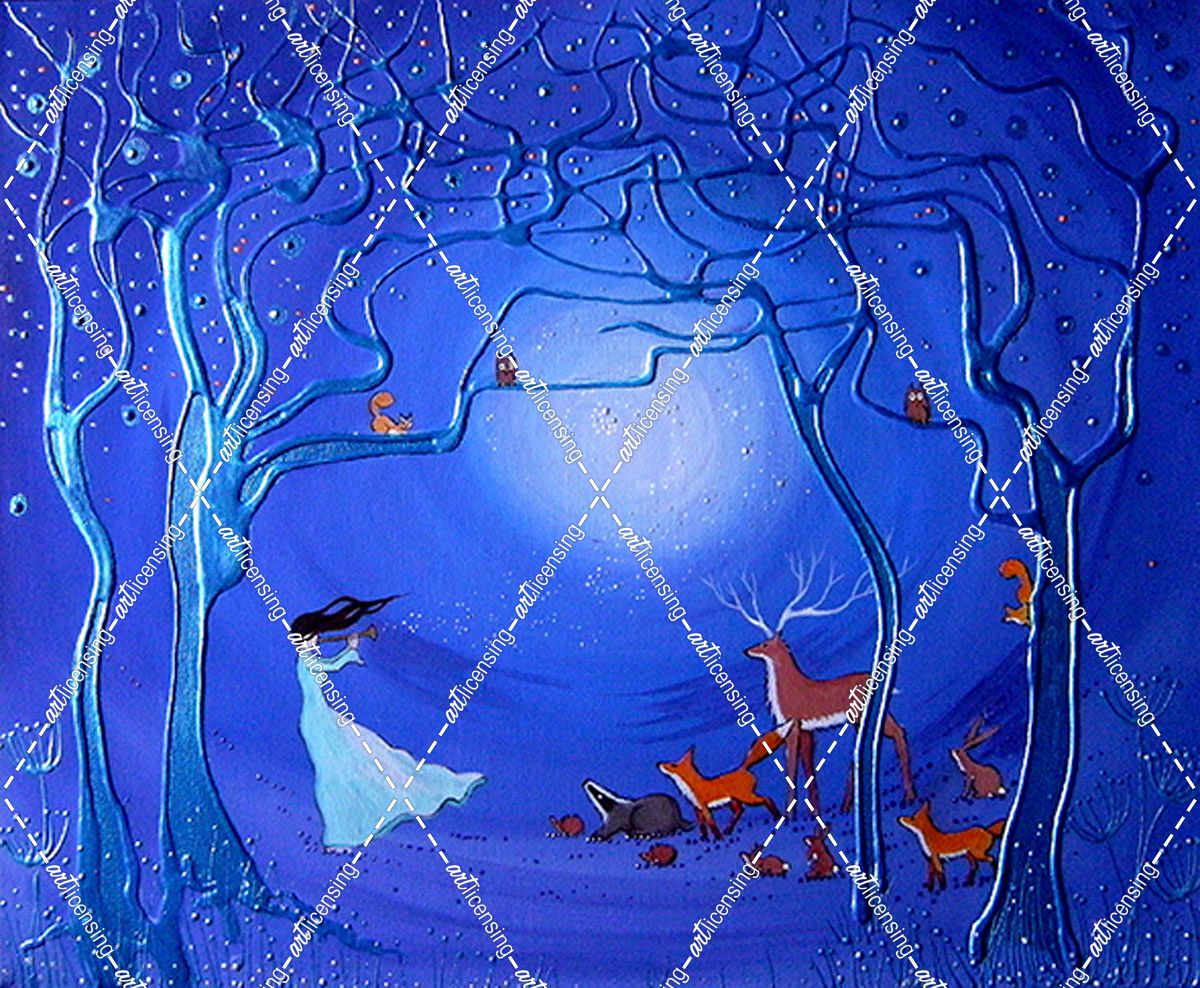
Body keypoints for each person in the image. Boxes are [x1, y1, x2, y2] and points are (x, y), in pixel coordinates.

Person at [291, 595, 485, 849]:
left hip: (320, 719)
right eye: (313, 637)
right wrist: (351, 648)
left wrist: (350, 649)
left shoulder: (307, 658)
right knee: (338, 770)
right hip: (318, 722)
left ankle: (346, 829)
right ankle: (343, 829)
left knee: (360, 759)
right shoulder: (307, 660)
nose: (317, 640)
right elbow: (333, 665)